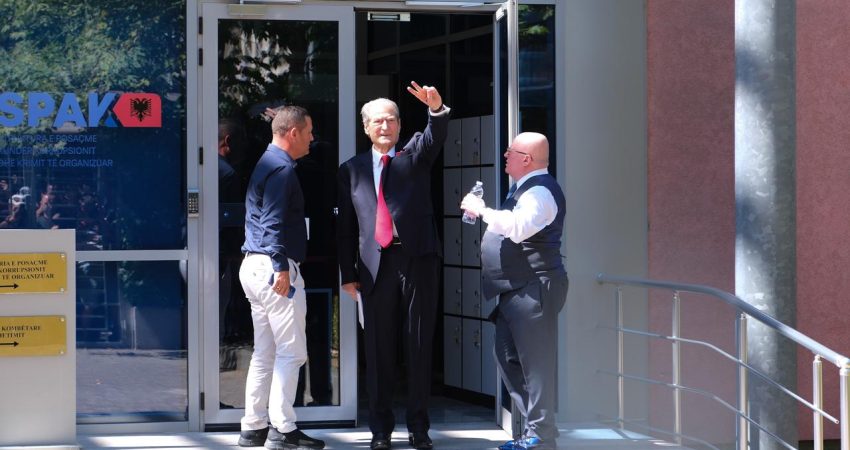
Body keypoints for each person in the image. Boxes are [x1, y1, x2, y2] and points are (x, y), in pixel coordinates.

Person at [337, 81, 450, 450]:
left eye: (391, 120)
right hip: (374, 266)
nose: (385, 126)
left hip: (418, 260)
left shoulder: (414, 155)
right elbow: (346, 228)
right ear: (366, 128)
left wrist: (435, 110)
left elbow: (434, 137)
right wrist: (348, 275)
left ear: (400, 125)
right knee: (378, 350)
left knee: (418, 345)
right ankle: (381, 431)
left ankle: (419, 429)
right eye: (378, 121)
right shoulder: (351, 170)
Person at [460, 132, 568, 450]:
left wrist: (482, 210)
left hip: (533, 287)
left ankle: (541, 436)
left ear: (527, 159)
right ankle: (538, 430)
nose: (505, 155)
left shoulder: (540, 192)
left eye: (511, 151)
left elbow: (519, 228)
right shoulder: (523, 189)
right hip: (516, 289)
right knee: (507, 356)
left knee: (535, 364)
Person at [237, 106, 325, 450]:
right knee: (291, 352)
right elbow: (272, 221)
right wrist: (281, 267)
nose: (312, 139)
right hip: (274, 267)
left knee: (265, 352)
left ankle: (253, 427)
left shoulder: (266, 163)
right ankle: (283, 429)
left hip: (253, 265)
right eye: (309, 132)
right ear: (293, 132)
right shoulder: (282, 169)